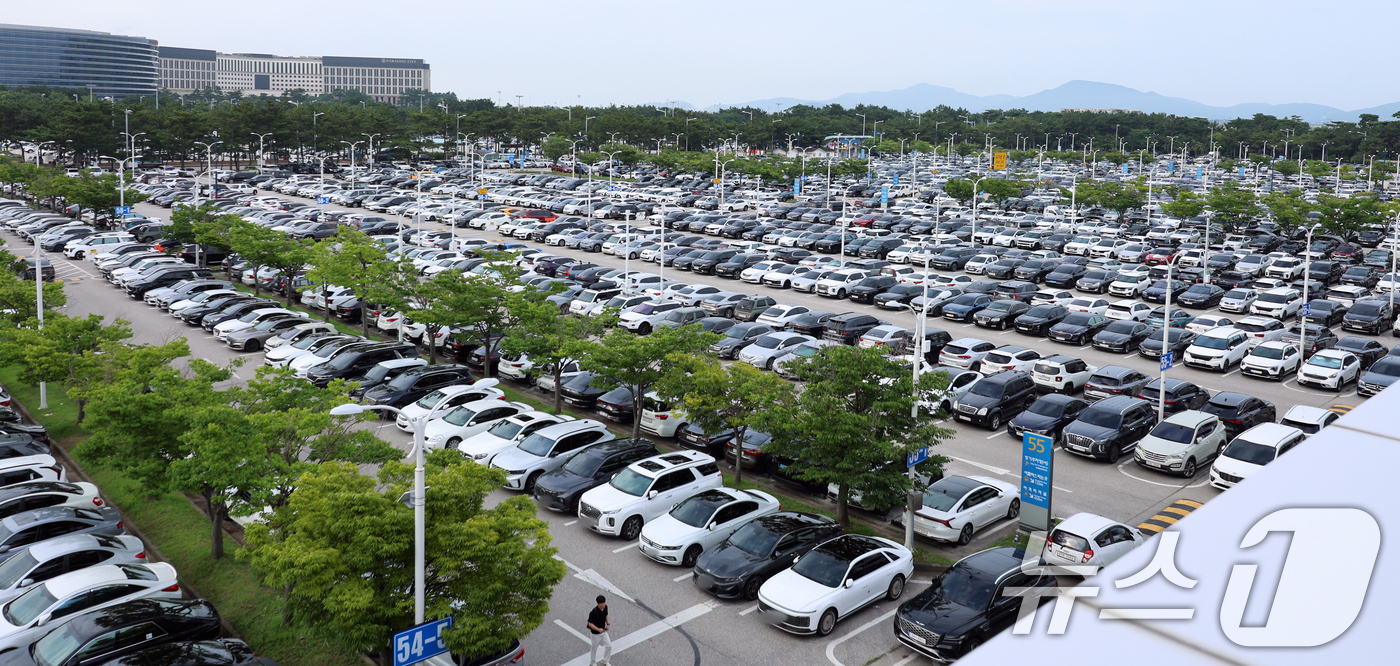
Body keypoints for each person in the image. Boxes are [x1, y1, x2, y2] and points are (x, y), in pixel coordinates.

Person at [587, 594, 611, 666]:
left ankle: (605, 661)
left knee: (609, 645)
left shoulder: (605, 607)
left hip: (603, 631)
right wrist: (598, 629)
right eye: (602, 603)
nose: (604, 604)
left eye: (604, 602)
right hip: (595, 634)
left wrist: (608, 624)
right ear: (598, 604)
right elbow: (590, 624)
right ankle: (593, 662)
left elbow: (606, 615)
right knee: (594, 649)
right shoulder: (594, 612)